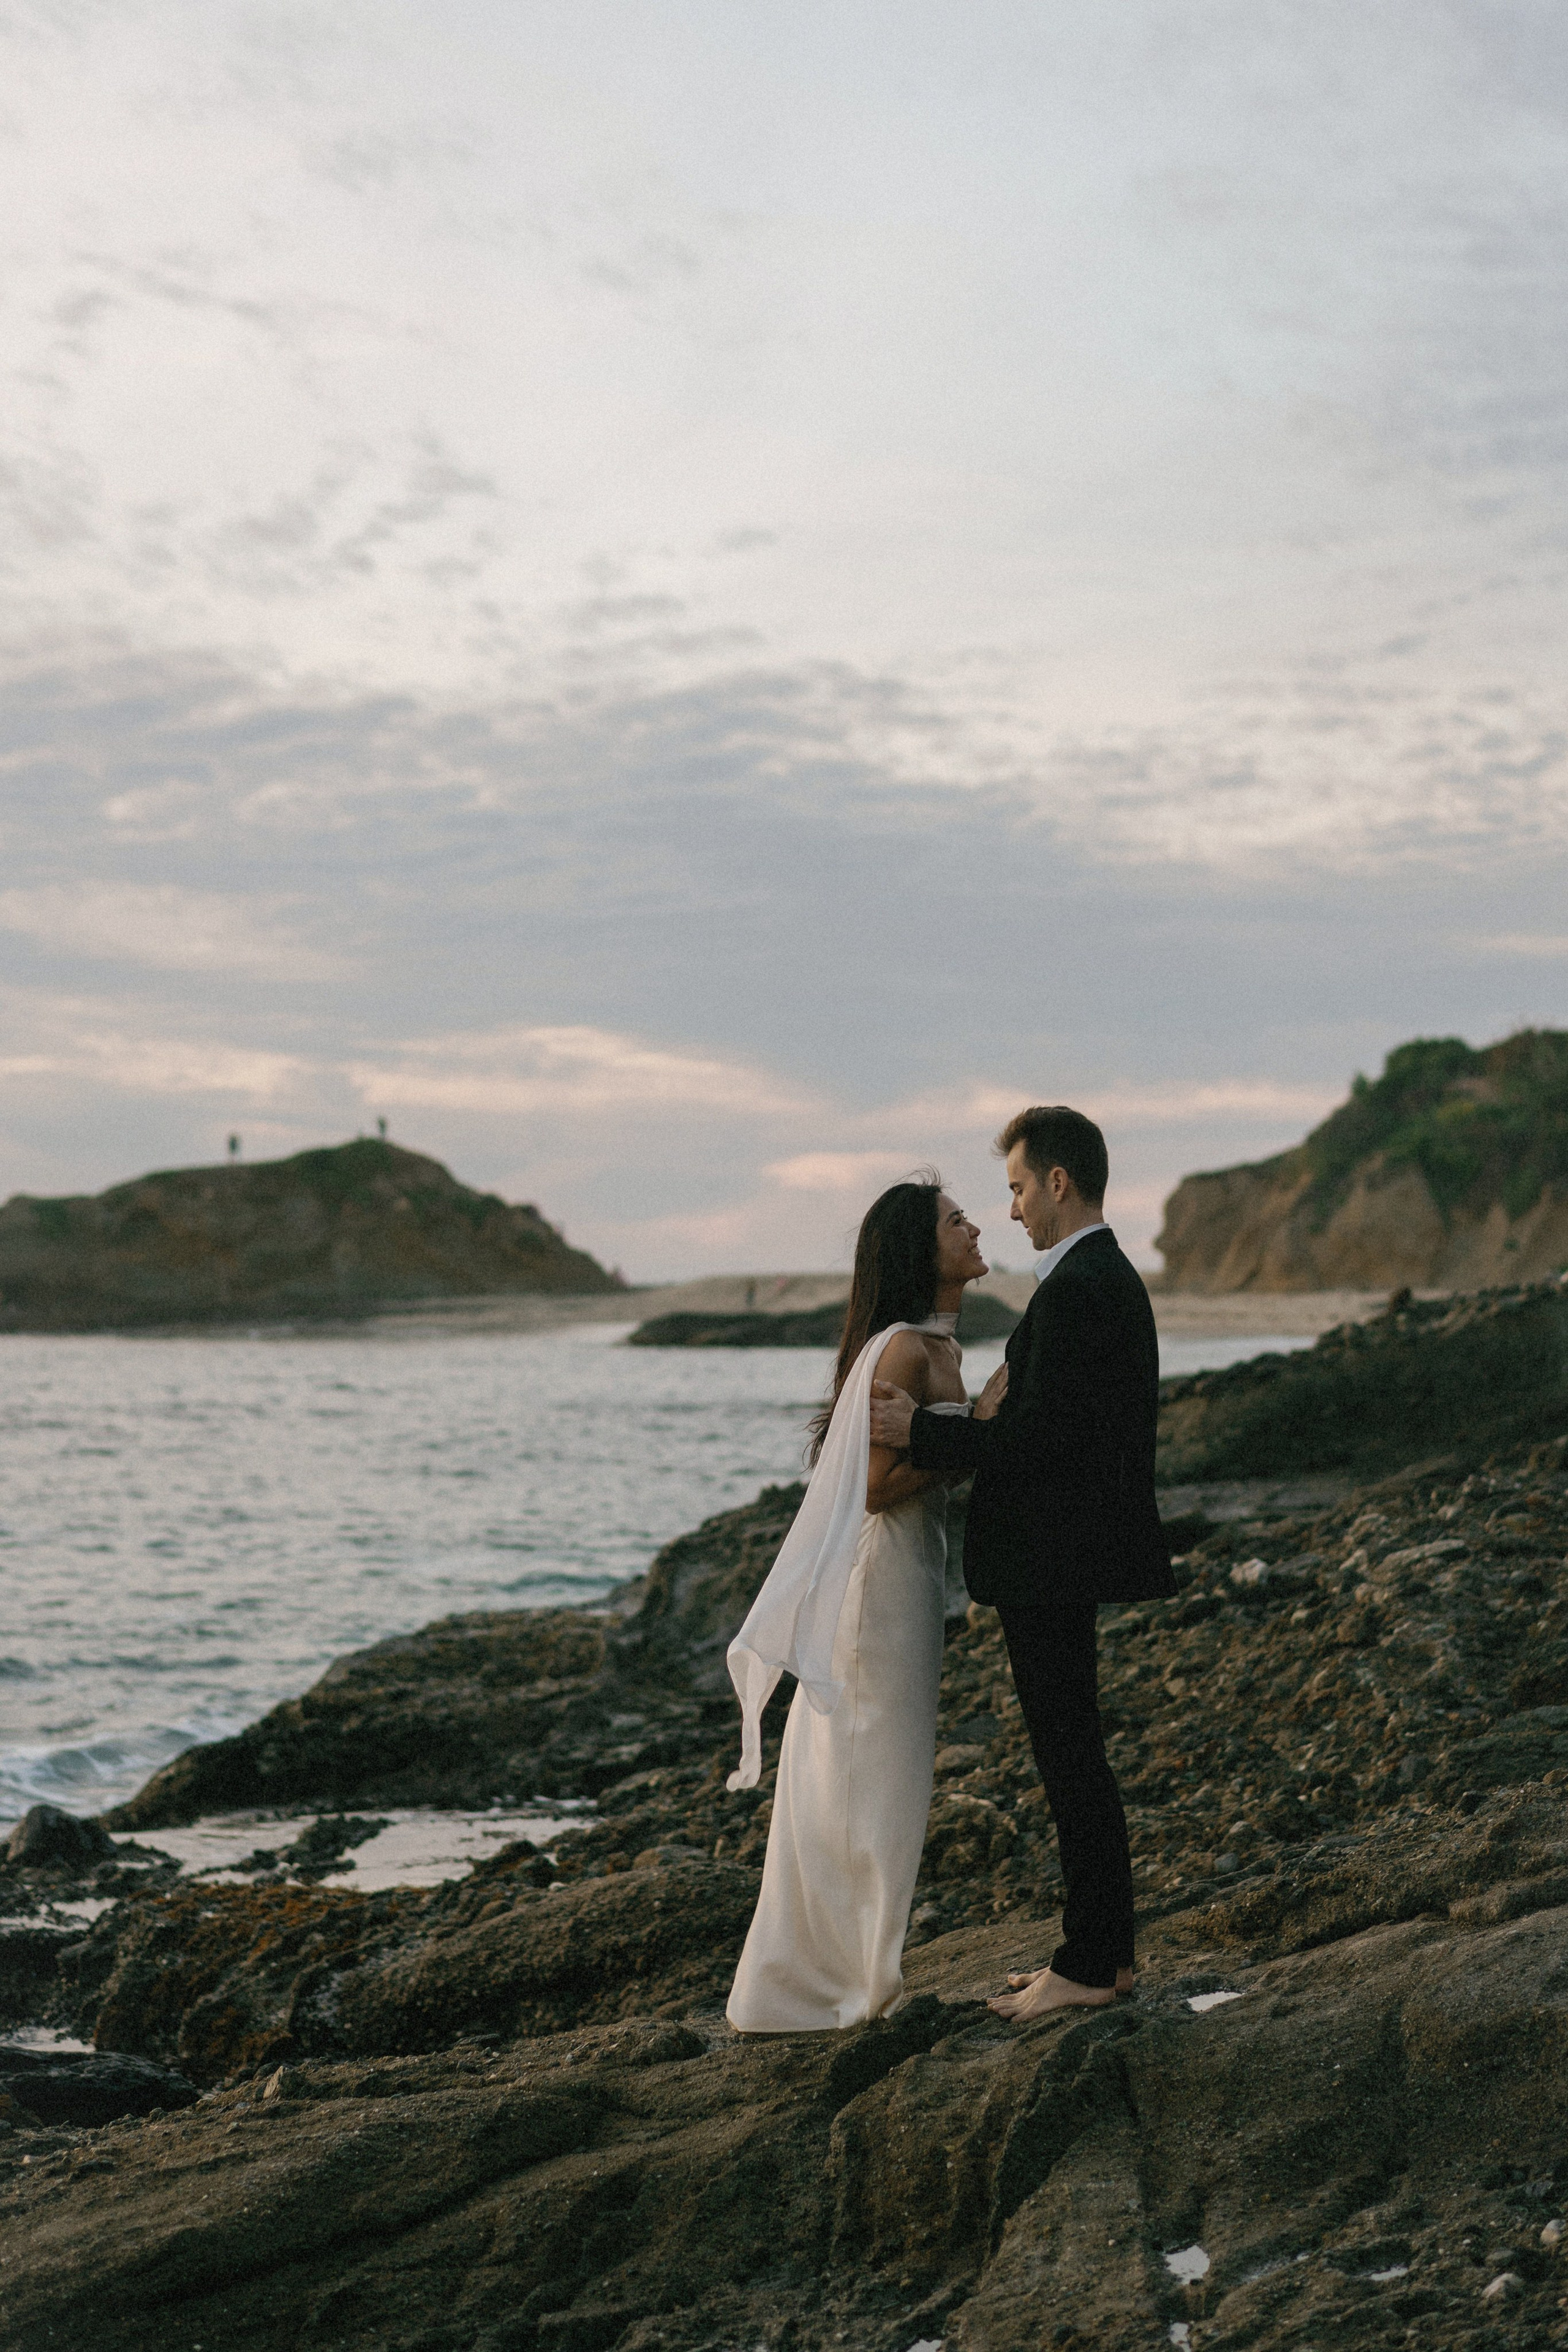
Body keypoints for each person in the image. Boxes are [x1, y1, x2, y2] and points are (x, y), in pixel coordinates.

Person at [868, 1106, 1175, 2020]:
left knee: (1070, 1758)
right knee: (1075, 1751)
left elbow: (1043, 1442)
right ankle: (1103, 1957)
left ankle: (1088, 1965)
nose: (1009, 1213)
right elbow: (1050, 1430)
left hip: (1056, 1559)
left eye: (1014, 1189)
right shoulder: (1094, 1279)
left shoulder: (1082, 1286)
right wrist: (971, 1425)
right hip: (1064, 1556)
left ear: (1058, 1182)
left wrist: (921, 1431)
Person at [725, 1174, 1006, 2032]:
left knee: (885, 1775)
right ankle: (845, 1985)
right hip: (876, 1587)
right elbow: (880, 1489)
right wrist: (982, 1436)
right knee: (870, 1776)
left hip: (914, 1579)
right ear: (920, 1252)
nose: (975, 1227)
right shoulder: (903, 1352)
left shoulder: (939, 1349)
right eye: (957, 1221)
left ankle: (843, 1971)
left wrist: (968, 1430)